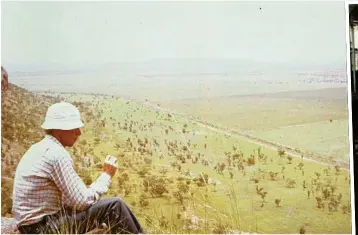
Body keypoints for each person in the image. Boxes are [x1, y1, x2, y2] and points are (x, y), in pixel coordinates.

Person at [12, 101, 145, 234]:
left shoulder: (38, 148)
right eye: (74, 128)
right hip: (42, 228)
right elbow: (82, 201)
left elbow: (70, 199)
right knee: (115, 206)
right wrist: (106, 175)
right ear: (59, 129)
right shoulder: (56, 154)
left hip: (32, 226)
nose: (79, 132)